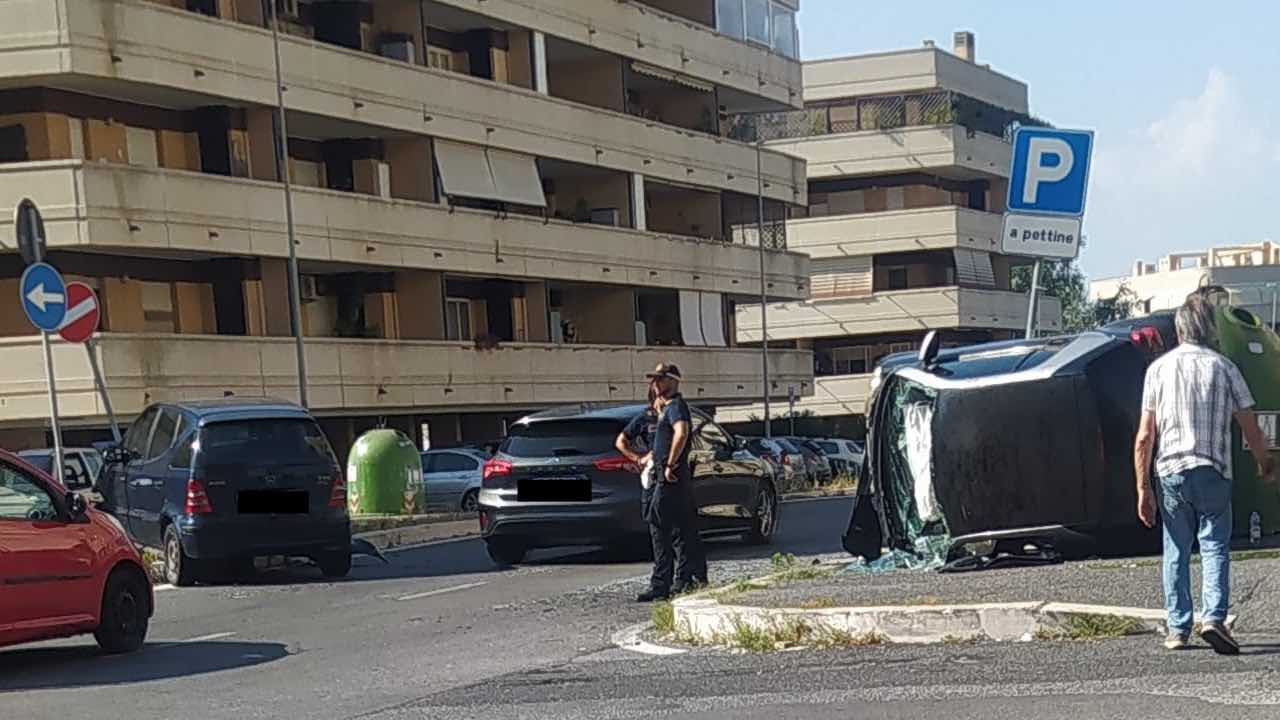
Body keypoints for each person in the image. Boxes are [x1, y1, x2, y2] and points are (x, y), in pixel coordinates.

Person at [1135, 297, 1275, 654]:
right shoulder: (1225, 368)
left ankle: (1177, 629)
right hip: (1213, 469)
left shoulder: (1158, 371)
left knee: (1176, 549)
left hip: (1170, 473)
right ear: (1209, 330)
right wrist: (1264, 462)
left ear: (1180, 330)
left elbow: (1145, 437)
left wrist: (1142, 489)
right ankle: (1213, 619)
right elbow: (1250, 424)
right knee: (1214, 546)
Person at [618, 363, 707, 602]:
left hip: (670, 478)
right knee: (672, 530)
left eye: (661, 379)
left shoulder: (676, 407)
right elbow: (621, 440)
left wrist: (669, 464)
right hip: (658, 476)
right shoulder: (658, 411)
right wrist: (640, 458)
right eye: (654, 380)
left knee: (669, 528)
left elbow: (682, 432)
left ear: (674, 381)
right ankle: (679, 580)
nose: (656, 384)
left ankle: (676, 581)